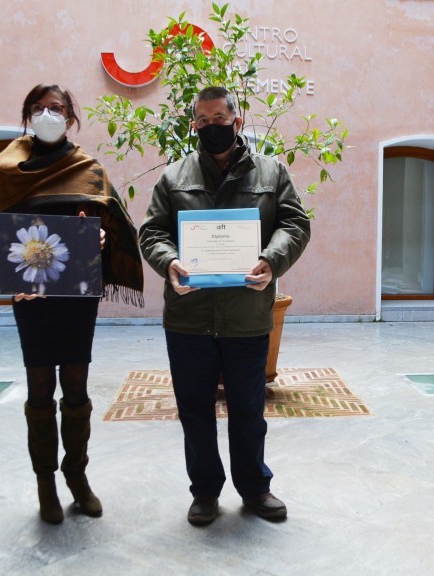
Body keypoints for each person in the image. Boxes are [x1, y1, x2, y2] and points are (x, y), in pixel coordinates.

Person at [139, 86, 310, 526]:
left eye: (220, 119)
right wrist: (169, 261)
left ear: (237, 121)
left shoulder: (272, 174)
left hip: (246, 316)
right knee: (195, 412)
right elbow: (152, 232)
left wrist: (271, 260)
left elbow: (295, 223)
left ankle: (255, 488)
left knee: (249, 413)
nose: (211, 127)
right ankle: (205, 492)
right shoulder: (173, 177)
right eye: (203, 120)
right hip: (189, 318)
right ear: (193, 124)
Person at [0, 83, 144, 524]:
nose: (47, 114)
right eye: (37, 108)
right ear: (26, 115)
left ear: (71, 118)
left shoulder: (89, 169)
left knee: (75, 387)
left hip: (77, 295)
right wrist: (7, 277)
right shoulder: (9, 170)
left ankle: (77, 477)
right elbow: (0, 234)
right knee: (40, 390)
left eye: (55, 108)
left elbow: (114, 223)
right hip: (32, 296)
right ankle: (45, 484)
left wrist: (99, 235)